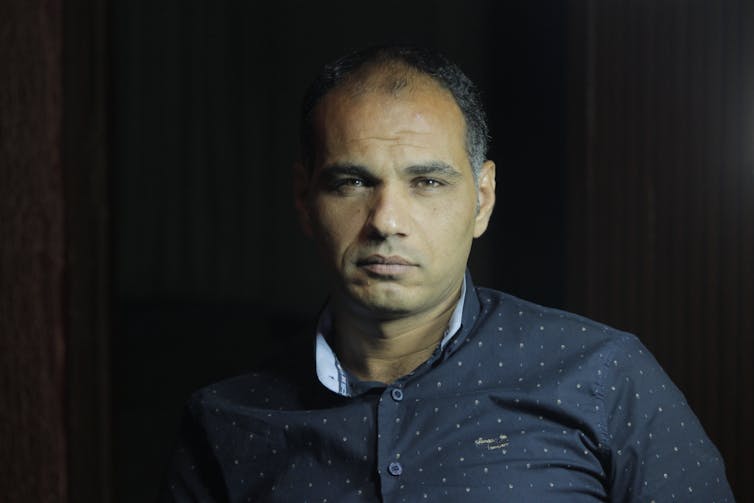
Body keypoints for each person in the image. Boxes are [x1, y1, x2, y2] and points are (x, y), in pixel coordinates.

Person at [160, 45, 734, 502]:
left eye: (427, 182)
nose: (386, 221)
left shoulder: (604, 377)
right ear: (304, 199)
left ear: (481, 200)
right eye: (352, 182)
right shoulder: (225, 424)